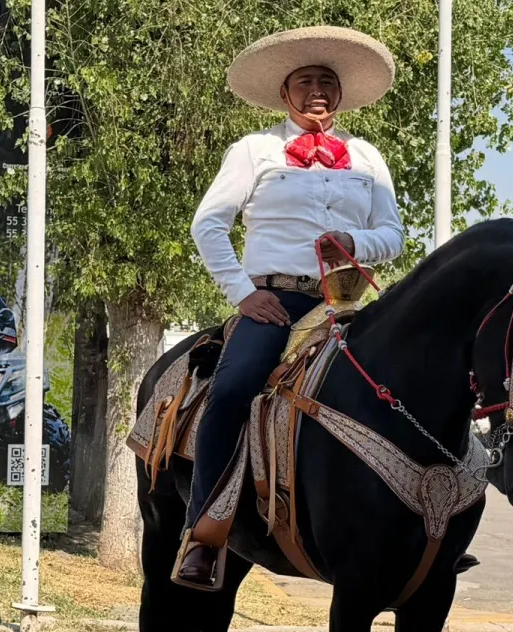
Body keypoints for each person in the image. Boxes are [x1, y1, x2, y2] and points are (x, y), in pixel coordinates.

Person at [177, 26, 404, 587]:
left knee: (413, 381)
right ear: (285, 93)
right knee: (232, 390)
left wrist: (358, 245)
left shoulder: (368, 158)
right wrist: (242, 292)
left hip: (347, 296)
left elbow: (393, 233)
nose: (318, 90)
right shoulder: (254, 150)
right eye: (306, 81)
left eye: (328, 82)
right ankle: (204, 534)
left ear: (342, 95)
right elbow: (208, 225)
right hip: (273, 297)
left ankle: (425, 523)